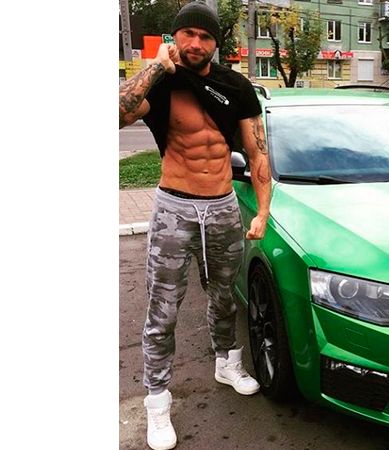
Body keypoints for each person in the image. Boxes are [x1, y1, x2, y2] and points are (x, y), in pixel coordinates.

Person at [119, 2, 272, 449]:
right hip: (175, 208)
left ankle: (226, 363)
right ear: (175, 37)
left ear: (215, 44)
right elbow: (116, 112)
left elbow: (258, 152)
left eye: (205, 36)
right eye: (187, 33)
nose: (195, 43)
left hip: (222, 207)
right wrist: (155, 67)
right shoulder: (163, 83)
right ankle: (157, 399)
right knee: (163, 309)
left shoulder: (235, 87)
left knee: (224, 296)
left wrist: (262, 211)